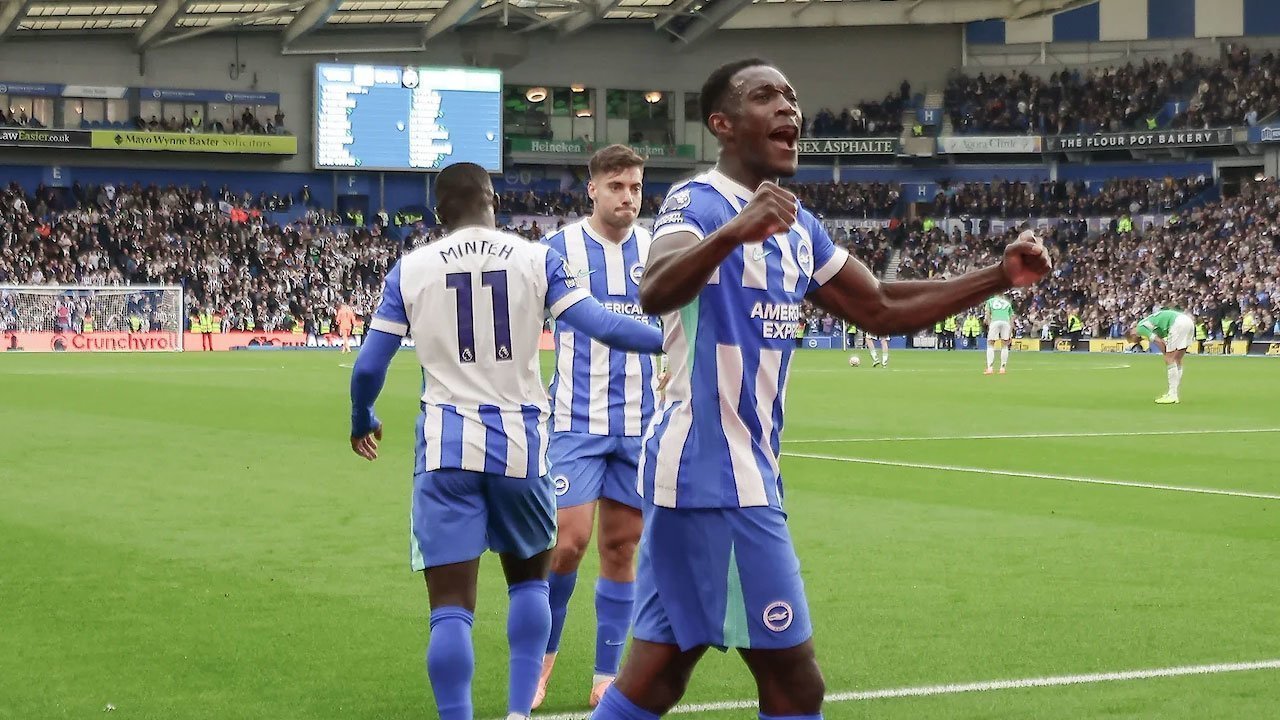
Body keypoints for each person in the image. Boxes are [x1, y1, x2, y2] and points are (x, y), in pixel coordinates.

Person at [589, 58, 1051, 720]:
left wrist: (997, 278)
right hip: (714, 474)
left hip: (728, 473)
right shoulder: (698, 201)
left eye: (792, 97)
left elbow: (882, 306)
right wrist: (735, 231)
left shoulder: (800, 228)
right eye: (766, 97)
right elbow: (656, 287)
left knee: (661, 670)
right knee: (794, 683)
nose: (788, 109)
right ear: (723, 124)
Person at [347, 162, 664, 720]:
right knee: (528, 587)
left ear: (439, 211)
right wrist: (673, 342)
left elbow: (369, 366)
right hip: (520, 444)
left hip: (446, 450)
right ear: (493, 201)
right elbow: (607, 327)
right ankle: (520, 712)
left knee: (450, 610)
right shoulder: (538, 258)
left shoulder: (410, 269)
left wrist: (362, 416)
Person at [536, 145, 661, 709]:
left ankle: (606, 675)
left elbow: (685, 318)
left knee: (621, 546)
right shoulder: (556, 250)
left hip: (639, 423)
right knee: (569, 544)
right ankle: (540, 663)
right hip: (574, 422)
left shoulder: (661, 250)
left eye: (634, 187)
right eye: (616, 186)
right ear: (592, 189)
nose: (627, 197)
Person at [1125, 308, 1194, 404]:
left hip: (1177, 323)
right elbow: (1161, 341)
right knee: (1178, 359)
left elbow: (1159, 341)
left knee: (1170, 359)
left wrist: (1166, 355)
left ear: (1132, 333)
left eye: (1134, 339)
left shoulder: (1141, 328)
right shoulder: (1150, 324)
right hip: (1188, 321)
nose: (1138, 341)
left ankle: (1172, 394)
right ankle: (1174, 393)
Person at [984, 292, 1014, 374]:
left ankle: (990, 368)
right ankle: (1002, 368)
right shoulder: (1007, 303)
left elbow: (987, 315)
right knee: (1005, 345)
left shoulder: (990, 301)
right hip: (1005, 322)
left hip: (995, 321)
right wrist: (1011, 329)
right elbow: (1012, 317)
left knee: (990, 344)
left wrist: (990, 325)